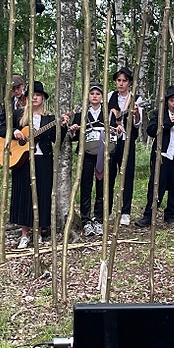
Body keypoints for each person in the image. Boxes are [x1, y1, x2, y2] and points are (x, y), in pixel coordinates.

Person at [0, 81, 69, 248]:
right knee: (24, 196)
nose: (35, 98)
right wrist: (14, 132)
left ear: (43, 98)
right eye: (32, 95)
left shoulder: (50, 119)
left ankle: (38, 233)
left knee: (42, 195)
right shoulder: (18, 115)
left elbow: (56, 140)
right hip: (22, 161)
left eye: (38, 95)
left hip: (43, 160)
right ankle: (24, 235)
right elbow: (0, 129)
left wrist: (63, 126)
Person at [135, 85, 174, 227]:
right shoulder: (158, 114)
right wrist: (167, 123)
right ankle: (148, 215)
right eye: (171, 101)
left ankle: (170, 215)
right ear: (167, 101)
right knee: (156, 186)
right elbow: (151, 130)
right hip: (161, 156)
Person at [68, 83, 119, 236]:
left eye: (98, 93)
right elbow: (73, 137)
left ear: (102, 97)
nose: (95, 96)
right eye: (92, 93)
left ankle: (99, 219)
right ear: (88, 96)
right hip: (86, 155)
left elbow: (114, 134)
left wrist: (118, 130)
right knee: (86, 186)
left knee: (102, 187)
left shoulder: (109, 114)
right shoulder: (81, 114)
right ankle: (86, 220)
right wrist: (73, 130)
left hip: (104, 154)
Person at [107, 66, 144, 226]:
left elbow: (137, 123)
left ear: (129, 83)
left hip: (127, 142)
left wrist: (135, 113)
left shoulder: (136, 99)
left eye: (124, 80)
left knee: (127, 176)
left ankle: (125, 212)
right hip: (111, 141)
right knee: (109, 175)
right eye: (119, 80)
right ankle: (106, 210)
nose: (121, 83)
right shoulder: (109, 96)